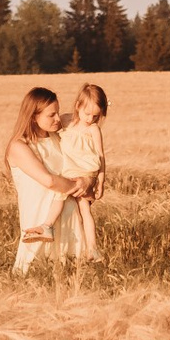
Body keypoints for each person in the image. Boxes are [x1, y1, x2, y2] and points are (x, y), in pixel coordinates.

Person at [5, 86, 89, 272]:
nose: (58, 119)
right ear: (33, 116)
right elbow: (48, 181)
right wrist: (78, 185)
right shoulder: (18, 147)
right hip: (40, 223)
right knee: (32, 275)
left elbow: (80, 165)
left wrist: (87, 181)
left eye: (58, 112)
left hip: (70, 220)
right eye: (51, 115)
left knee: (73, 276)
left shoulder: (59, 139)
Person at [50, 83, 107, 264]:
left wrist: (100, 182)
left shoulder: (93, 130)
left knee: (85, 211)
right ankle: (47, 227)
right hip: (67, 171)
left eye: (96, 116)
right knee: (58, 201)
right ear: (77, 106)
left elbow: (100, 156)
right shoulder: (66, 121)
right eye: (87, 113)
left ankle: (92, 248)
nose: (90, 119)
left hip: (85, 173)